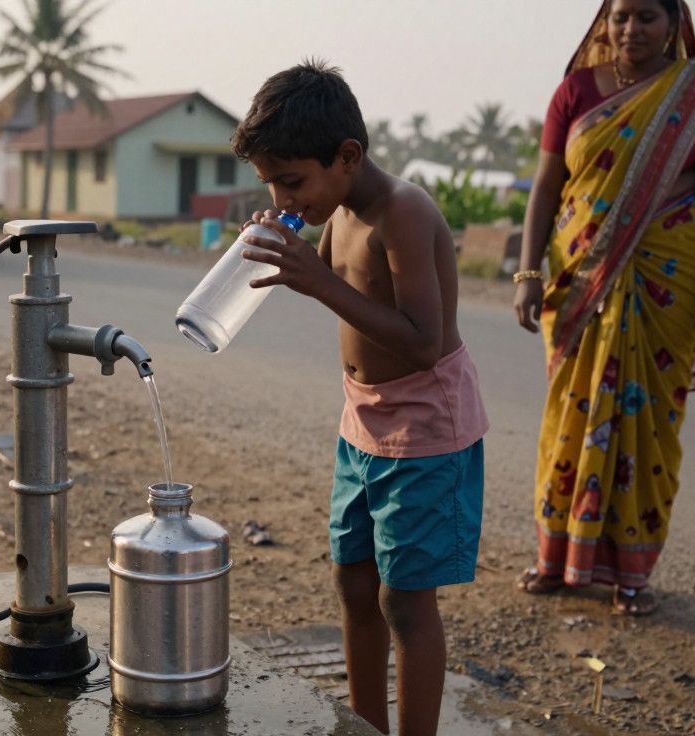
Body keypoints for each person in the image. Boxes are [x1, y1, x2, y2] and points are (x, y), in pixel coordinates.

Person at [231, 60, 488, 736]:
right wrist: (288, 242)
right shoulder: (336, 206)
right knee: (352, 580)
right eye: (270, 183)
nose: (285, 194)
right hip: (362, 421)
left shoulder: (402, 212)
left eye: (292, 181)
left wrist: (316, 280)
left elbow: (424, 341)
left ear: (347, 155)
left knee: (405, 600)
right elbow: (332, 274)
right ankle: (365, 724)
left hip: (425, 428)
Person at [513, 0, 695, 616]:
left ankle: (632, 574)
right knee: (571, 411)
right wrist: (529, 271)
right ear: (603, 22)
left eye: (646, 16)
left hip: (668, 278)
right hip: (578, 278)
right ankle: (554, 557)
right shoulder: (574, 91)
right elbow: (546, 185)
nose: (630, 29)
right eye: (619, 16)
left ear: (674, 23)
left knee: (648, 426)